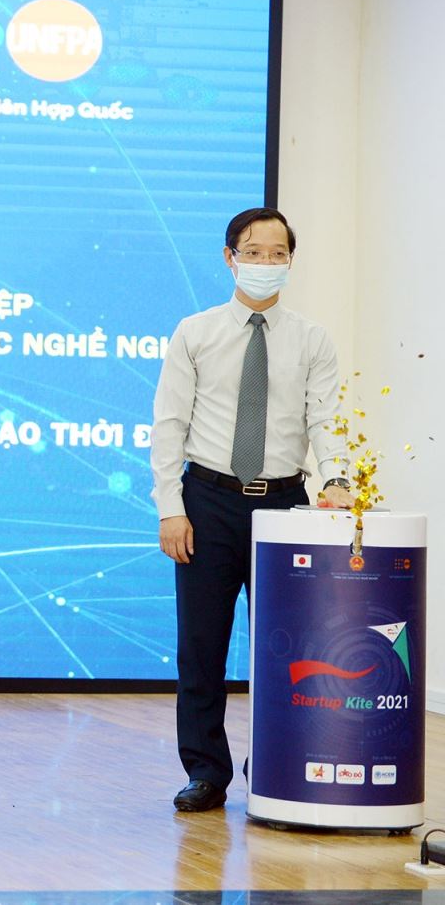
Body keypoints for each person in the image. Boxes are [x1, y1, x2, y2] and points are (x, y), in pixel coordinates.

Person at [151, 207, 354, 813]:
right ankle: (206, 772)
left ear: (291, 260)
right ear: (229, 257)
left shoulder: (312, 339)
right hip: (207, 503)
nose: (267, 263)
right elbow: (169, 425)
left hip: (286, 506)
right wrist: (170, 507)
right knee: (202, 645)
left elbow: (325, 417)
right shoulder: (195, 332)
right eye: (254, 252)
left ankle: (275, 763)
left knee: (286, 648)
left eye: (278, 253)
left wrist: (336, 479)